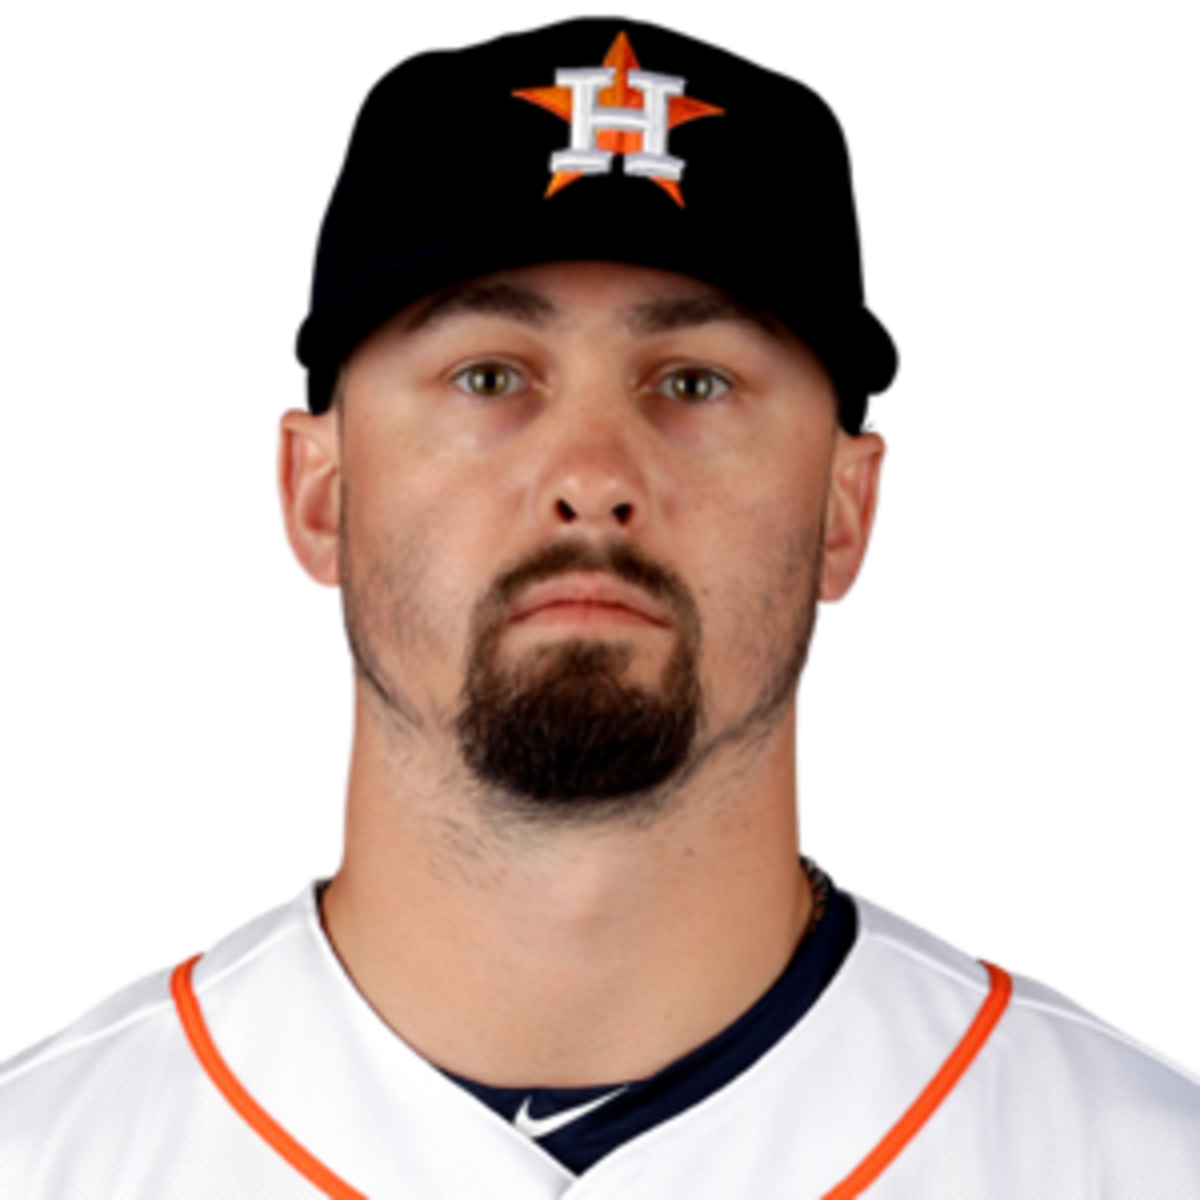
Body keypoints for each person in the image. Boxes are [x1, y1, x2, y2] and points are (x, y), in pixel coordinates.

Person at [3, 26, 1196, 1199]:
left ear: (850, 510)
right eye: (488, 377)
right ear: (313, 493)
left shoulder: (1138, 1163)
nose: (590, 476)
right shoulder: (45, 1158)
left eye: (694, 382)